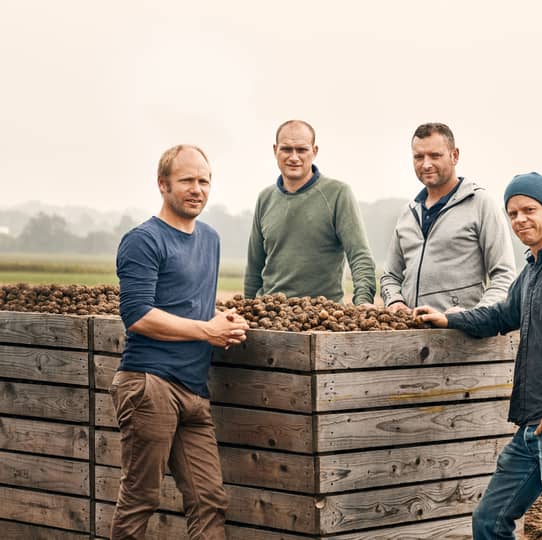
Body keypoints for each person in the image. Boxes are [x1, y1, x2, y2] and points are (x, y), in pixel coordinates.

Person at [415, 172, 542, 539]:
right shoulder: (532, 272)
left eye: (528, 209)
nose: (520, 219)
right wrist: (448, 319)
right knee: (489, 520)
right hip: (533, 426)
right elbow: (502, 316)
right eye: (513, 213)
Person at [112, 144, 249, 539]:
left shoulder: (210, 238)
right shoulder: (143, 240)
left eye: (204, 181)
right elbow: (137, 315)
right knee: (140, 498)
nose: (197, 189)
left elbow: (191, 305)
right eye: (187, 180)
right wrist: (208, 331)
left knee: (209, 500)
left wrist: (221, 320)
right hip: (149, 384)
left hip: (193, 389)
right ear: (162, 184)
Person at [380, 122, 515, 314]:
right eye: (419, 157)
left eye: (435, 155)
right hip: (411, 337)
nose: (426, 164)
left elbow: (504, 276)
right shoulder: (407, 213)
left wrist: (474, 318)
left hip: (462, 338)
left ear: (454, 155)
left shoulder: (481, 204)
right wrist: (394, 300)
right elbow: (390, 276)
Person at [244, 120, 376, 305]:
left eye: (302, 150)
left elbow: (359, 255)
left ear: (314, 151)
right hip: (271, 313)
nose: (294, 157)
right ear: (275, 150)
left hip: (322, 316)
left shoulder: (338, 194)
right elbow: (254, 266)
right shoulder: (265, 198)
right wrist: (247, 308)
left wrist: (363, 302)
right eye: (286, 149)